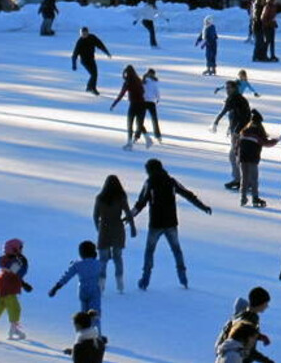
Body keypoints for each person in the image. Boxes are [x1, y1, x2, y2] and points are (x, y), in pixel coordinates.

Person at [131, 158, 212, 290]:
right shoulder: (171, 181)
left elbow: (141, 203)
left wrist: (129, 216)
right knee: (176, 250)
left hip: (156, 223)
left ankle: (145, 280)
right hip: (170, 223)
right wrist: (202, 206)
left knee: (150, 251)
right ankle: (183, 278)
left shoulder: (149, 183)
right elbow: (188, 194)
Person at [47, 241, 104, 334]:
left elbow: (66, 277)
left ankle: (84, 334)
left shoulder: (77, 265)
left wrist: (56, 287)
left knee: (84, 314)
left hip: (83, 291)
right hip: (95, 291)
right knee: (95, 314)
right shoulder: (98, 264)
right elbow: (99, 270)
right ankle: (97, 335)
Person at [93, 175, 136, 293]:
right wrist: (132, 228)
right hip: (118, 228)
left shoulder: (100, 198)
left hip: (104, 229)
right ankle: (120, 282)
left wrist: (99, 229)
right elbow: (128, 213)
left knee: (103, 259)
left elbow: (95, 216)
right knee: (118, 257)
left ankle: (101, 284)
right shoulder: (121, 197)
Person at [215, 287, 273, 363]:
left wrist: (259, 336)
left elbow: (240, 333)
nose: (267, 306)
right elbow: (251, 351)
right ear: (260, 303)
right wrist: (267, 361)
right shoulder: (251, 320)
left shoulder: (241, 315)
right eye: (266, 303)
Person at [213, 80, 252, 191]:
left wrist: (216, 122)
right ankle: (241, 180)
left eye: (229, 88)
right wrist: (231, 128)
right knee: (236, 156)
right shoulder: (238, 98)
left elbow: (226, 112)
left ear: (234, 88)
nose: (227, 90)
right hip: (238, 132)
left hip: (240, 133)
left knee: (236, 156)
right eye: (226, 88)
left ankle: (243, 181)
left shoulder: (235, 98)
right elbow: (235, 115)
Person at [237, 110, 279, 208]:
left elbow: (237, 144)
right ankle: (255, 198)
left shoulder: (244, 131)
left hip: (242, 157)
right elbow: (266, 143)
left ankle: (243, 198)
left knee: (244, 178)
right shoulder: (258, 132)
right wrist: (276, 140)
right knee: (254, 179)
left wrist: (237, 154)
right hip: (253, 158)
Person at [110, 65, 149, 149]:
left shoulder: (127, 82)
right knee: (139, 123)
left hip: (134, 104)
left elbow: (121, 94)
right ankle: (148, 139)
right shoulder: (138, 80)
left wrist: (114, 104)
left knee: (130, 124)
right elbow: (143, 91)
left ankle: (129, 143)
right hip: (142, 104)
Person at [72, 27, 112, 95]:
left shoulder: (92, 38)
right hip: (84, 61)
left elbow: (100, 45)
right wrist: (74, 65)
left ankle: (89, 87)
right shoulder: (80, 42)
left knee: (95, 74)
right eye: (82, 34)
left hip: (91, 59)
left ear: (88, 32)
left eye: (85, 33)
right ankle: (92, 88)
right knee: (93, 74)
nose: (84, 35)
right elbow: (74, 55)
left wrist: (106, 52)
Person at [141, 69, 162, 144]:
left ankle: (138, 134)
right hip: (151, 102)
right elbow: (157, 92)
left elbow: (140, 90)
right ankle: (158, 135)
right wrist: (158, 99)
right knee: (154, 119)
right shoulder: (154, 82)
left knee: (141, 119)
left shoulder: (143, 81)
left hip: (143, 102)